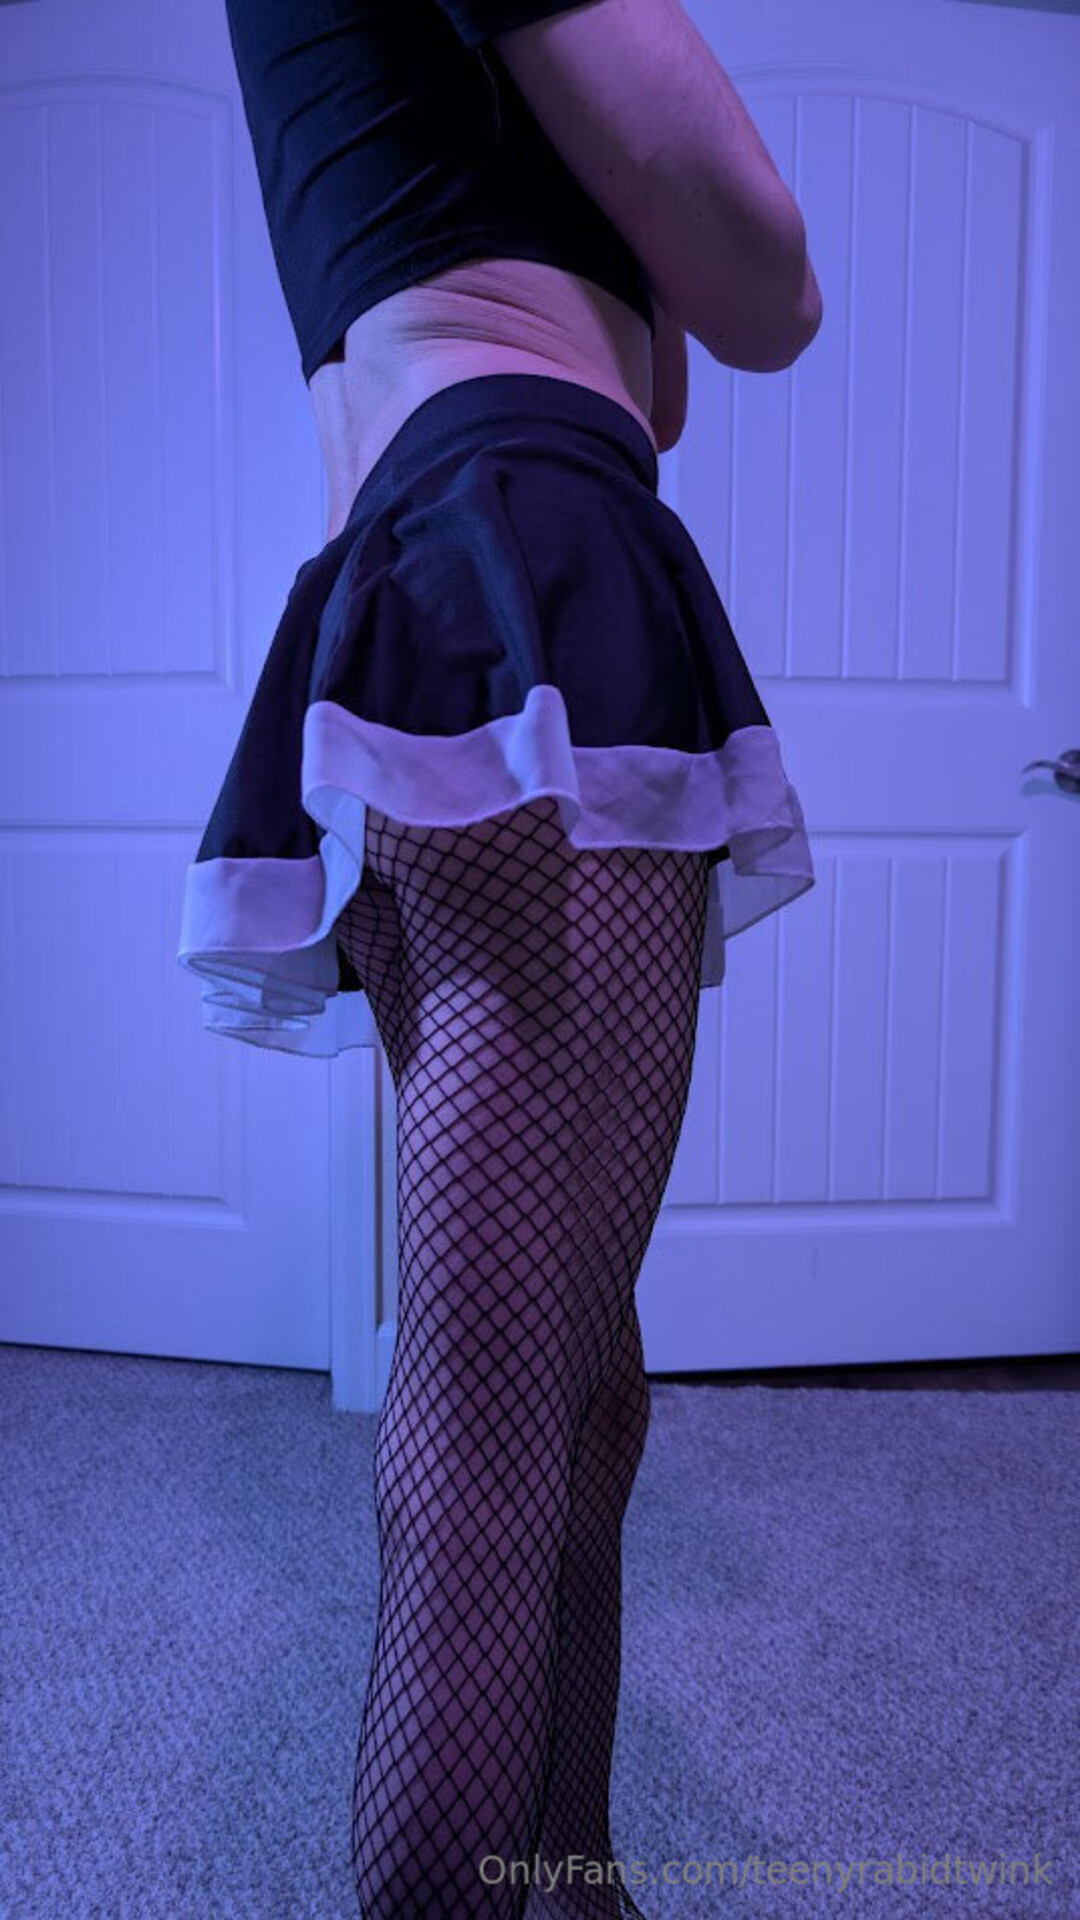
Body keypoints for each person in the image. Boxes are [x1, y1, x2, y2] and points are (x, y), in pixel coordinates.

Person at [176, 0, 822, 1912]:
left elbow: (659, 368)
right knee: (500, 1399)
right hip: (531, 531)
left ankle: (572, 1872)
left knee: (577, 1381)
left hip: (439, 542)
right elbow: (763, 286)